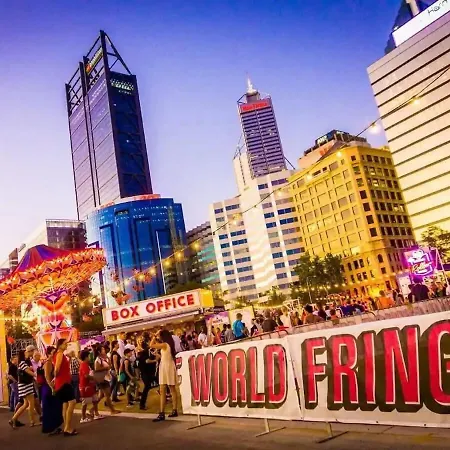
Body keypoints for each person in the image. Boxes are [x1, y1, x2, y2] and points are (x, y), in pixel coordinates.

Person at [150, 330, 178, 422]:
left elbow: (151, 345)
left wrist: (154, 335)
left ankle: (162, 413)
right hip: (168, 366)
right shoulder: (168, 344)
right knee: (171, 389)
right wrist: (158, 355)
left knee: (164, 390)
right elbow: (165, 356)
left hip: (166, 367)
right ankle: (173, 410)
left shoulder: (165, 344)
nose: (159, 337)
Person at [9, 346, 39, 428]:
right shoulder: (22, 362)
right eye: (32, 352)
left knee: (25, 404)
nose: (32, 354)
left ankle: (13, 419)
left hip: (24, 385)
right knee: (31, 404)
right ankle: (32, 421)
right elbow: (28, 371)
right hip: (26, 385)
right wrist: (36, 376)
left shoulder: (23, 362)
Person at [53, 339, 77, 436]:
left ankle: (66, 427)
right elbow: (57, 368)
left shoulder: (60, 355)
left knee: (65, 404)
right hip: (63, 383)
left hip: (62, 382)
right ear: (60, 345)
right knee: (72, 402)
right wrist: (55, 377)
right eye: (65, 343)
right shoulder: (59, 354)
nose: (66, 345)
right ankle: (67, 428)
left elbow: (63, 367)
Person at [41, 346, 63, 435]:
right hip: (49, 388)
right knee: (51, 408)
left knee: (55, 407)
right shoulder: (48, 363)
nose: (55, 354)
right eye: (53, 352)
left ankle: (55, 427)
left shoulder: (52, 362)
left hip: (50, 387)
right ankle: (51, 428)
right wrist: (52, 387)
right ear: (49, 353)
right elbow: (47, 376)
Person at [94, 345, 120, 414]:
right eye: (102, 349)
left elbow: (110, 366)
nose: (104, 350)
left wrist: (108, 358)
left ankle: (92, 409)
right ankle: (112, 410)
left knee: (101, 396)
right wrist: (105, 368)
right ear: (99, 351)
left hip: (106, 378)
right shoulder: (98, 359)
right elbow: (96, 369)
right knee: (107, 395)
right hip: (102, 379)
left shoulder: (103, 358)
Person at [79, 350, 101, 423]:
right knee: (85, 403)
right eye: (89, 356)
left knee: (95, 400)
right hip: (85, 387)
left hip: (90, 385)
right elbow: (86, 375)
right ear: (86, 357)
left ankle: (96, 414)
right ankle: (83, 417)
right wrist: (94, 378)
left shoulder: (86, 364)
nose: (90, 357)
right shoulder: (84, 365)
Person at [137, 342, 159, 411]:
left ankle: (164, 396)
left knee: (160, 384)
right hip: (146, 374)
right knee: (147, 388)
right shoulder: (144, 353)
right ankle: (142, 405)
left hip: (150, 373)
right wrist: (155, 360)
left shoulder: (148, 352)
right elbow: (147, 361)